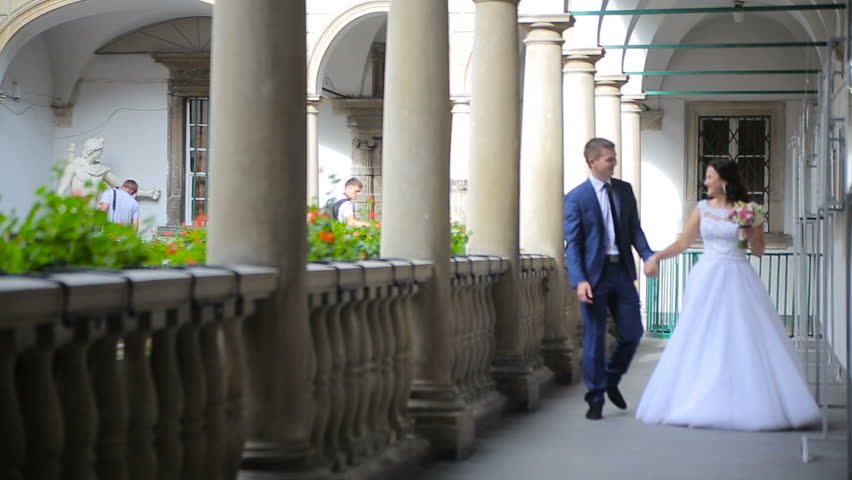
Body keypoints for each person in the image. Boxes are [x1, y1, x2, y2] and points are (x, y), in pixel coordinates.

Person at [636, 158, 820, 431]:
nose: (706, 181)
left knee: (742, 335)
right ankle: (695, 396)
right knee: (701, 335)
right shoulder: (702, 209)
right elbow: (684, 242)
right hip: (707, 277)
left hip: (738, 275)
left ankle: (749, 399)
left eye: (710, 177)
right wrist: (656, 258)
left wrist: (748, 233)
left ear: (724, 180)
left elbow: (759, 251)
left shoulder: (748, 210)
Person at [564, 138, 655, 420]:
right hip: (594, 276)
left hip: (621, 271)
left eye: (613, 158)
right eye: (608, 159)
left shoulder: (624, 191)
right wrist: (579, 280)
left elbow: (634, 229)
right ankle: (595, 398)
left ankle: (611, 379)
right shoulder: (576, 198)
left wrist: (648, 255)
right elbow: (574, 244)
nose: (613, 162)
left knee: (632, 333)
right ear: (593, 162)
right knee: (594, 338)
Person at [56, 137, 161, 200]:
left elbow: (121, 186)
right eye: (101, 150)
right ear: (94, 151)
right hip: (78, 207)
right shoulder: (75, 166)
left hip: (96, 209)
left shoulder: (101, 169)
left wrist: (147, 193)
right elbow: (61, 189)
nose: (102, 153)